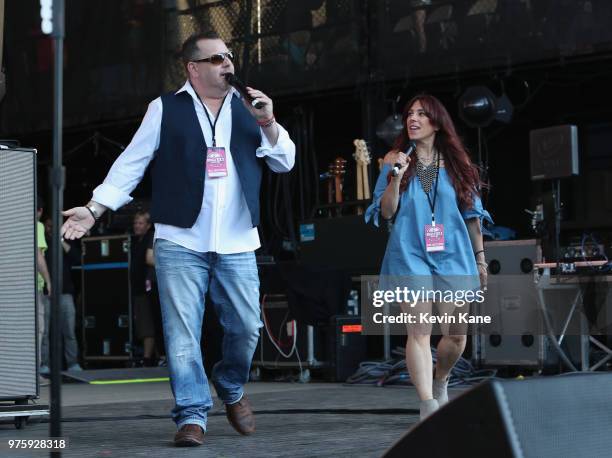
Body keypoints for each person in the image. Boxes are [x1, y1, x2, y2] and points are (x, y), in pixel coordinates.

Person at [61, 31, 295, 447]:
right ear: (193, 67)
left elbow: (284, 162)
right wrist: (95, 208)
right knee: (181, 333)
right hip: (180, 240)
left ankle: (230, 385)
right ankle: (191, 414)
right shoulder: (165, 108)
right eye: (218, 59)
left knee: (247, 327)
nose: (228, 65)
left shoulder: (249, 108)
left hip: (238, 239)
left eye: (229, 57)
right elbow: (131, 164)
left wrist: (269, 122)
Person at [365, 94, 491, 420]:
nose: (413, 118)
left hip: (452, 253)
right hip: (410, 252)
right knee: (419, 331)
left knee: (456, 334)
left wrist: (480, 259)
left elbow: (473, 217)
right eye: (410, 113)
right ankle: (428, 406)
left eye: (421, 113)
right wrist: (394, 177)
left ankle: (441, 380)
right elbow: (386, 211)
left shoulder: (457, 165)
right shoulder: (394, 160)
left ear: (437, 121)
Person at [40, 216, 82, 374]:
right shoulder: (41, 242)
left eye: (54, 226)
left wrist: (61, 240)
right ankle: (44, 365)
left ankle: (73, 364)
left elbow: (76, 257)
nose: (51, 229)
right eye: (49, 226)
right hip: (46, 293)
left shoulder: (65, 240)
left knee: (69, 331)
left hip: (65, 293)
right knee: (44, 333)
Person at [129, 210, 158, 367]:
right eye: (135, 223)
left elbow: (149, 258)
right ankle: (150, 356)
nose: (136, 226)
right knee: (143, 322)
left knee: (147, 323)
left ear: (148, 225)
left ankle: (148, 358)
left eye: (140, 223)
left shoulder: (151, 236)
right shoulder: (137, 241)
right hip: (139, 287)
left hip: (148, 287)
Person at [36, 196, 51, 385]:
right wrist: (48, 280)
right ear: (39, 211)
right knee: (37, 330)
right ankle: (34, 375)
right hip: (33, 286)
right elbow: (38, 255)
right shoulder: (37, 226)